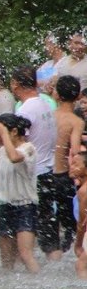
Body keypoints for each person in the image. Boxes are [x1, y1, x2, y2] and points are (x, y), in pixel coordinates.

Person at [10, 66, 61, 260]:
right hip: (48, 171)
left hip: (32, 176)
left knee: (25, 228)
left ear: (15, 84)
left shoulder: (25, 110)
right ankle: (55, 268)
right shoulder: (45, 104)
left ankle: (30, 269)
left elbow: (18, 144)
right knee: (48, 229)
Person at [0, 113, 40, 273]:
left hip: (25, 207)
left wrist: (4, 134)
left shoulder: (28, 148)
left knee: (25, 254)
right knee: (6, 260)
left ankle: (38, 283)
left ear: (13, 131)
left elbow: (14, 158)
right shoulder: (2, 151)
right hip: (6, 206)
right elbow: (8, 173)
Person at [50, 76, 83, 256]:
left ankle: (51, 255)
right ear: (78, 96)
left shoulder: (49, 115)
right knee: (69, 224)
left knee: (48, 222)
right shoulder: (76, 121)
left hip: (45, 175)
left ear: (57, 94)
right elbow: (75, 151)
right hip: (63, 175)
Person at [71, 151, 87, 279]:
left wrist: (78, 244)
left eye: (76, 164)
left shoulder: (83, 191)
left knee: (81, 265)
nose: (71, 167)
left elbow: (81, 223)